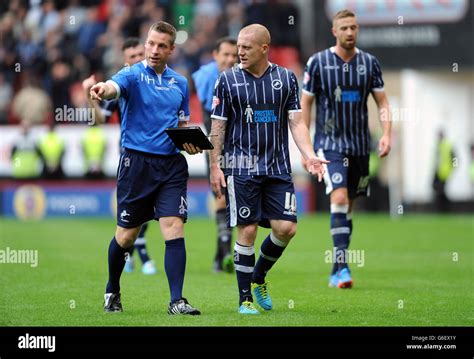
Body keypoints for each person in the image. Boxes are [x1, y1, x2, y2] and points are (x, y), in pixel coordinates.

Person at [209, 24, 327, 314]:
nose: (240, 52)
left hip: (277, 167)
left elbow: (297, 122)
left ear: (264, 48)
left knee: (286, 228)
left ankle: (259, 275)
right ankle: (244, 298)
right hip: (241, 167)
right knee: (247, 230)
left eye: (247, 47)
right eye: (238, 46)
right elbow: (218, 127)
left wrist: (309, 155)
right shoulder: (227, 81)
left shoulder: (286, 79)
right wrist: (215, 166)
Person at [89, 21, 202, 315]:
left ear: (171, 49)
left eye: (161, 45)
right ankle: (112, 289)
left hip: (171, 166)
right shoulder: (132, 74)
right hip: (136, 164)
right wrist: (102, 88)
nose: (154, 50)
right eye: (151, 43)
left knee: (174, 227)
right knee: (126, 236)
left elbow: (182, 124)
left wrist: (188, 141)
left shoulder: (180, 82)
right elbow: (113, 87)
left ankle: (177, 300)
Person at [301, 9, 392, 289]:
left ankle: (336, 267)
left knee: (348, 205)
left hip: (360, 146)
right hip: (329, 146)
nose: (350, 32)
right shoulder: (317, 63)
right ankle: (343, 268)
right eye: (344, 28)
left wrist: (387, 133)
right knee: (339, 196)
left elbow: (383, 103)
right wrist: (307, 147)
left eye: (353, 27)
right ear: (334, 31)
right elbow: (306, 104)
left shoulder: (369, 63)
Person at [82, 38, 157, 275]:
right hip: (130, 156)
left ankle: (136, 254)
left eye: (139, 54)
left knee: (155, 209)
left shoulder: (160, 80)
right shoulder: (123, 84)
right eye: (132, 56)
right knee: (134, 212)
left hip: (158, 155)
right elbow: (99, 120)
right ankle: (138, 255)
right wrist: (88, 94)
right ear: (126, 61)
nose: (137, 59)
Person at [192, 37, 238, 273]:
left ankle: (221, 254)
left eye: (234, 55)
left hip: (240, 145)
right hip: (215, 143)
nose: (230, 59)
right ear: (215, 55)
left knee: (235, 200)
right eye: (226, 55)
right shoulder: (205, 76)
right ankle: (225, 252)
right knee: (221, 196)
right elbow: (211, 115)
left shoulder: (242, 74)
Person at [432, 130, 456, 212]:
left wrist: (452, 168)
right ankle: (443, 208)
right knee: (438, 189)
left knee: (441, 190)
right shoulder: (439, 146)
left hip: (445, 172)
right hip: (439, 172)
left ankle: (445, 208)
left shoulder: (447, 145)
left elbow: (454, 158)